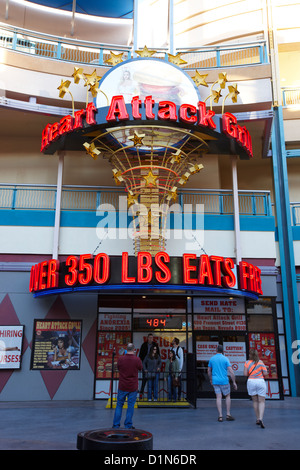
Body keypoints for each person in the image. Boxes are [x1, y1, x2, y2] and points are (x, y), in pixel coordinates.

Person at [112, 343, 143, 429]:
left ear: (126, 349)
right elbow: (140, 368)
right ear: (134, 350)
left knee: (119, 405)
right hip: (133, 387)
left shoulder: (121, 359)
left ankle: (116, 425)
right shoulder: (137, 359)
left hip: (122, 386)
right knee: (130, 406)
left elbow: (118, 368)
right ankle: (128, 425)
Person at [207, 344, 237, 421]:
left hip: (215, 380)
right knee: (227, 396)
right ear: (222, 351)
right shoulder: (225, 359)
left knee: (218, 397)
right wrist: (234, 382)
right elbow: (231, 371)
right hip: (224, 381)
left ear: (216, 350)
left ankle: (220, 415)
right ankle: (228, 414)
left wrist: (210, 379)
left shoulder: (212, 359)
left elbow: (209, 371)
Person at [244, 349, 268, 428]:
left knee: (255, 401)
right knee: (261, 401)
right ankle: (261, 418)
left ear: (250, 355)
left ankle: (257, 418)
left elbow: (245, 374)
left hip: (251, 382)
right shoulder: (260, 362)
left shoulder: (247, 363)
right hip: (260, 381)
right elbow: (265, 373)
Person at [139, 334, 160, 398]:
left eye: (152, 338)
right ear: (147, 338)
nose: (150, 339)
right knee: (144, 380)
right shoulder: (144, 345)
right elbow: (140, 355)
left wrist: (157, 366)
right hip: (145, 364)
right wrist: (142, 365)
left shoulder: (155, 345)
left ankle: (153, 395)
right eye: (149, 337)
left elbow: (158, 355)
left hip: (153, 365)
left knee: (153, 381)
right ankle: (141, 394)